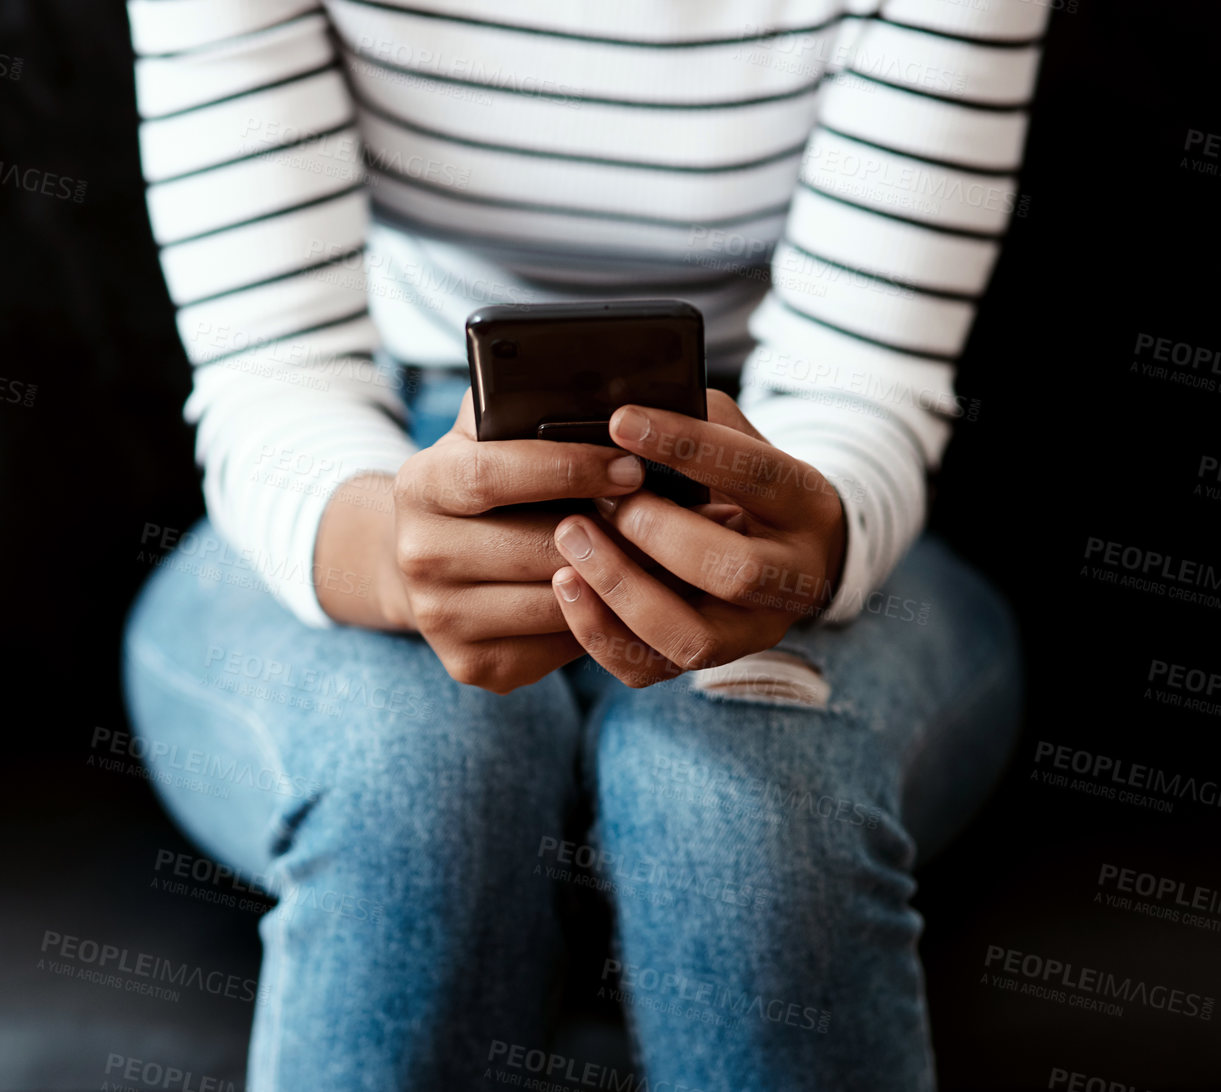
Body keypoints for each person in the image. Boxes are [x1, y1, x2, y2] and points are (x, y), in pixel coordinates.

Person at [120, 2, 1044, 1088]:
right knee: (410, 775)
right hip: (360, 461)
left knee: (739, 802)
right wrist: (387, 551)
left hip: (788, 460)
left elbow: (864, 381)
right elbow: (272, 374)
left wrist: (804, 541)